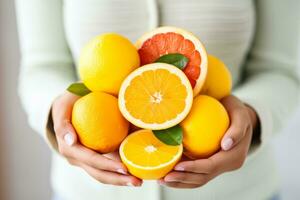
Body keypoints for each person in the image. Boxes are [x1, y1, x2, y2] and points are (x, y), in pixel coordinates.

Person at [15, 0, 300, 200]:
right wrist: (56, 114)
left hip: (242, 193)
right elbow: (41, 68)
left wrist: (251, 116)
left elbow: (278, 71)